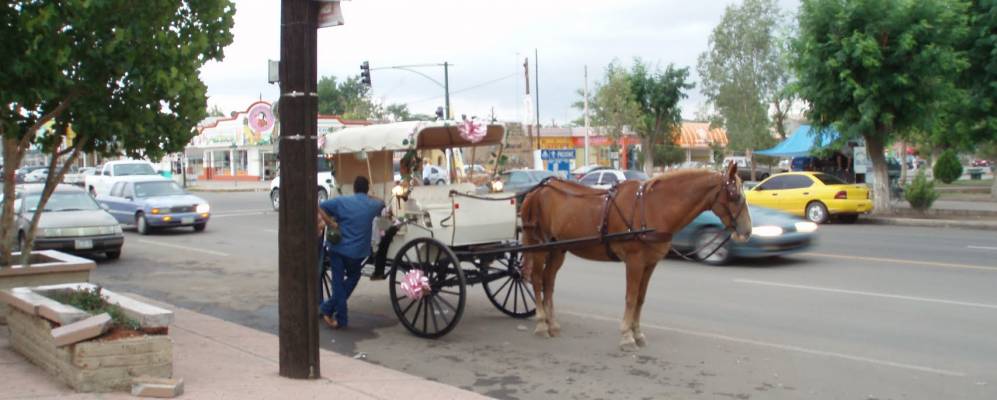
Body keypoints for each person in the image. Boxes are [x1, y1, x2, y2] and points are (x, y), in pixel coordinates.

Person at [318, 176, 385, 329]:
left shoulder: (342, 201)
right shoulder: (372, 205)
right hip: (358, 253)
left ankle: (334, 313)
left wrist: (330, 223)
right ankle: (332, 311)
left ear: (354, 188)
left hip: (338, 249)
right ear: (367, 189)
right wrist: (370, 195)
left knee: (338, 284)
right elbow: (383, 202)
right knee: (353, 277)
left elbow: (319, 206)